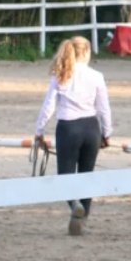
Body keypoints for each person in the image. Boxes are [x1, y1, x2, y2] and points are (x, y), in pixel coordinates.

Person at [34, 36, 113, 236]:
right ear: (85, 53)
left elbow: (48, 106)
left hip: (68, 128)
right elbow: (104, 108)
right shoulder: (96, 76)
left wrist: (39, 131)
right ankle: (82, 218)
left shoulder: (61, 75)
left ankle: (74, 204)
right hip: (91, 128)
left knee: (65, 176)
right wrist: (107, 133)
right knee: (87, 176)